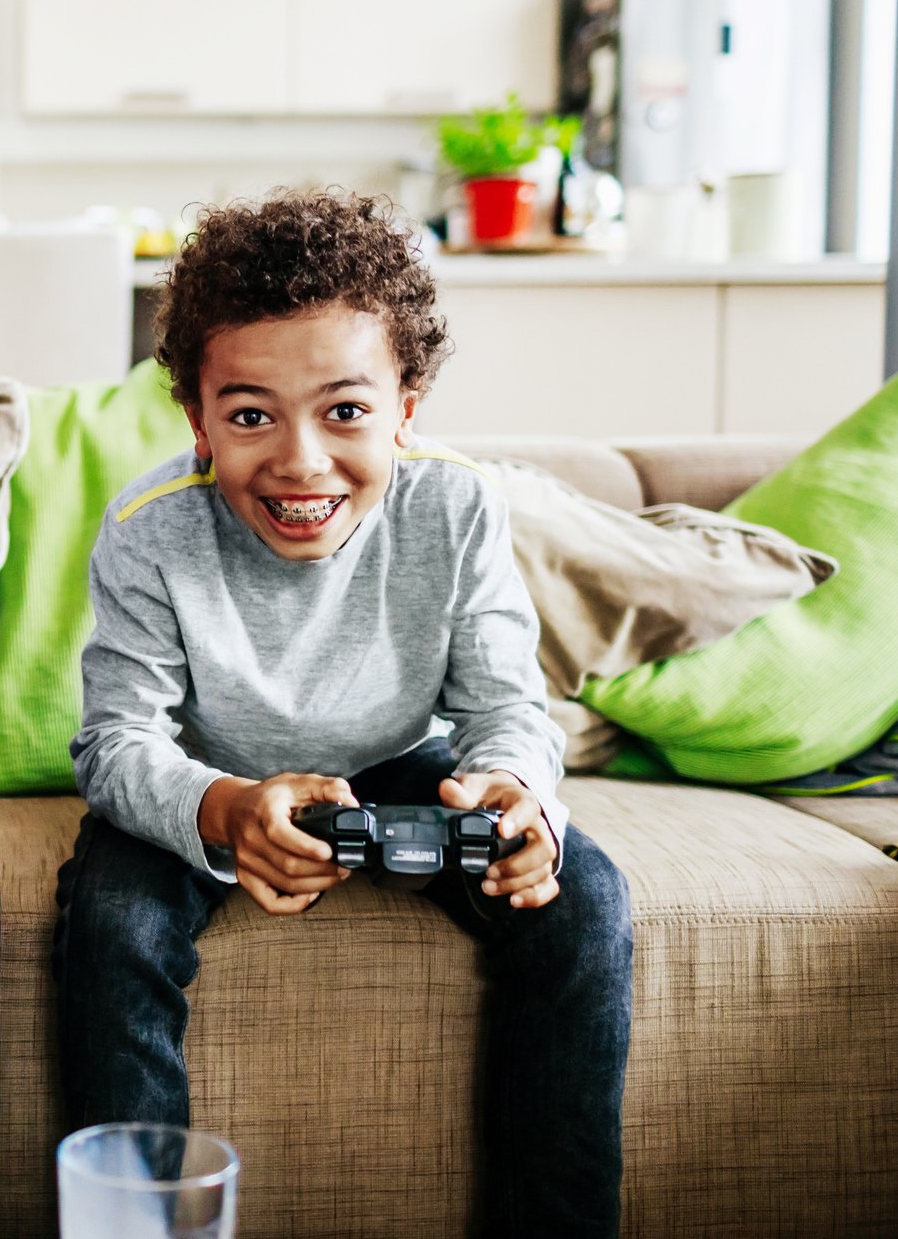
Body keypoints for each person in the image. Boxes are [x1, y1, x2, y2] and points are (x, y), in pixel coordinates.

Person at [52, 190, 633, 1237]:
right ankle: (139, 1223)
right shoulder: (148, 527)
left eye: (346, 410)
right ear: (196, 417)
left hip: (406, 762)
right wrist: (225, 809)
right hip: (208, 775)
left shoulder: (456, 507)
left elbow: (507, 706)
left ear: (408, 402)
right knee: (111, 920)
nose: (301, 460)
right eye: (249, 415)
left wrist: (518, 794)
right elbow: (118, 741)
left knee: (582, 900)